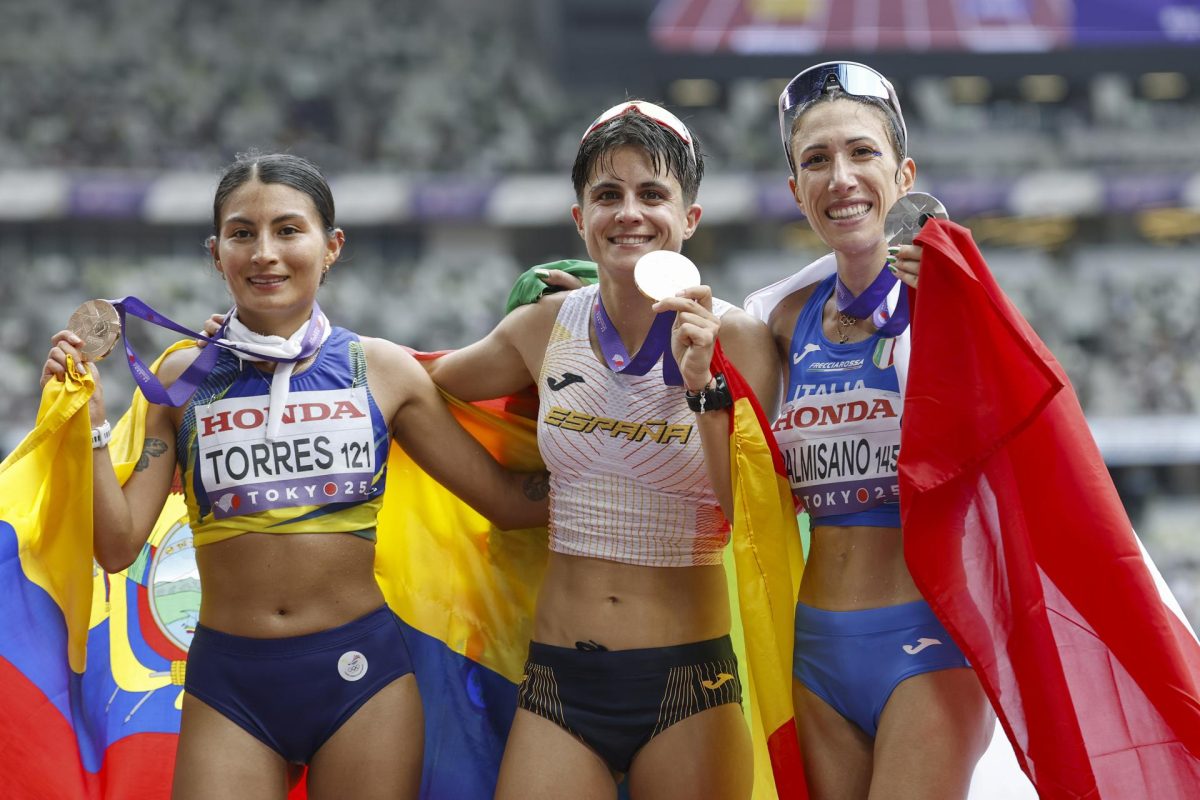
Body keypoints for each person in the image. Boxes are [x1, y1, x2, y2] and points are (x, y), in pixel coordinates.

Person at [40, 152, 549, 800]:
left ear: (331, 246)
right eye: (242, 233)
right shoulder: (180, 381)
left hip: (364, 682)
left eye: (288, 230)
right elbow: (116, 547)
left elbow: (505, 500)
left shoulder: (385, 373)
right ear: (216, 251)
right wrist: (86, 425)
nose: (264, 253)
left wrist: (630, 485)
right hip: (230, 686)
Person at [422, 101, 779, 799]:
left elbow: (756, 516)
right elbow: (424, 387)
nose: (629, 214)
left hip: (690, 686)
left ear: (691, 218)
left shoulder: (738, 340)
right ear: (580, 219)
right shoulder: (544, 324)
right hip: (558, 682)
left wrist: (704, 386)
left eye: (653, 194)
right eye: (607, 196)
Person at [743, 62, 995, 798]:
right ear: (796, 191)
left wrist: (951, 314)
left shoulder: (957, 304)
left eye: (861, 153)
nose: (840, 177)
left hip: (928, 640)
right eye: (815, 161)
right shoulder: (778, 321)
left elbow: (1012, 453)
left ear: (903, 172)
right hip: (814, 647)